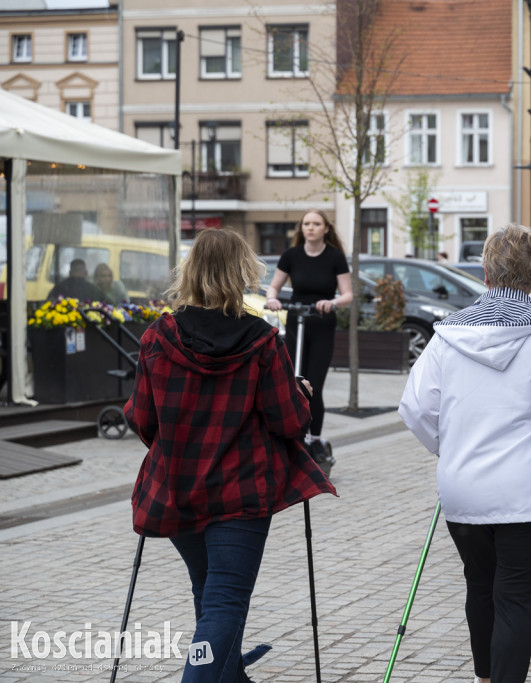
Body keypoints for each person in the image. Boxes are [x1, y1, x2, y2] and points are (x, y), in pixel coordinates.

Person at [399, 224, 531, 683]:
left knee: (480, 586)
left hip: (464, 487)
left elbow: (415, 408)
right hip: (528, 493)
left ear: (485, 272)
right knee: (515, 597)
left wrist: (448, 448)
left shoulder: (447, 337)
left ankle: (484, 677)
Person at [124, 228, 336, 683]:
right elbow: (289, 421)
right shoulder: (261, 341)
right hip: (240, 495)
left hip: (178, 489)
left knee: (211, 594)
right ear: (242, 272)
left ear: (191, 271)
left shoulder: (158, 337)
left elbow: (141, 418)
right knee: (222, 603)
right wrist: (299, 392)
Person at [265, 209, 353, 463]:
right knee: (293, 380)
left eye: (316, 224)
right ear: (301, 228)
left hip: (322, 322)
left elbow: (348, 294)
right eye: (307, 224)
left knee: (315, 384)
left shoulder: (334, 257)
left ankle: (314, 439)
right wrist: (272, 298)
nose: (311, 228)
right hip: (296, 320)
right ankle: (293, 435)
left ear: (326, 228)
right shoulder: (291, 255)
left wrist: (332, 302)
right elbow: (274, 286)